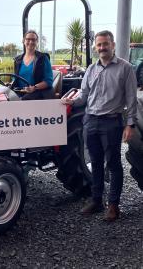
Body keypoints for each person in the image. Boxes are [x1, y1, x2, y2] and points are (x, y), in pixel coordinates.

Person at [62, 30, 137, 221]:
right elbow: (84, 96)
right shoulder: (90, 69)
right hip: (90, 121)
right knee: (95, 163)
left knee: (113, 164)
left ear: (112, 45)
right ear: (96, 47)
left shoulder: (125, 68)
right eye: (99, 45)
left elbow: (131, 99)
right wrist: (72, 102)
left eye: (105, 44)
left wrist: (130, 125)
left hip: (112, 122)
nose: (102, 48)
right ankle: (96, 200)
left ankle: (113, 205)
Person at [13, 30, 54, 100]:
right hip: (21, 91)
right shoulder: (17, 60)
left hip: (38, 92)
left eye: (33, 40)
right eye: (28, 39)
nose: (31, 42)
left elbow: (48, 81)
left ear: (37, 42)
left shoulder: (43, 58)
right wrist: (10, 84)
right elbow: (15, 79)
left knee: (24, 100)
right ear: (23, 41)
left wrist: (34, 87)